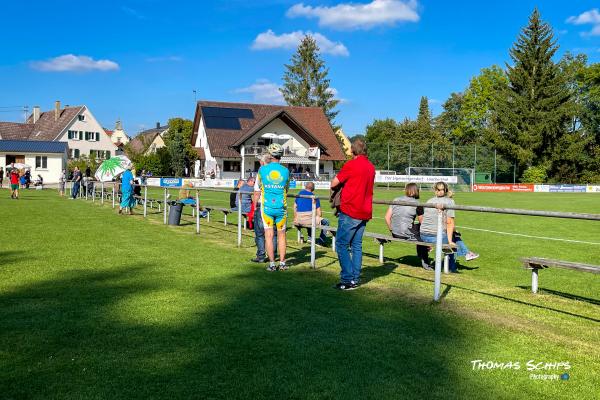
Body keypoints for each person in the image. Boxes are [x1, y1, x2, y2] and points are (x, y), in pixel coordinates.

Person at [330, 139, 375, 290]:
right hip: (364, 210)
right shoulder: (370, 167)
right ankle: (354, 278)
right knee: (356, 245)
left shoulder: (351, 165)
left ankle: (348, 279)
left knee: (341, 244)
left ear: (352, 151)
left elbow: (334, 183)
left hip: (350, 210)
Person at [254, 143, 290, 271]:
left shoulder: (262, 170)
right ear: (281, 156)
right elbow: (287, 189)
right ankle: (283, 263)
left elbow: (258, 186)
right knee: (282, 236)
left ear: (270, 155)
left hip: (267, 208)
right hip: (281, 207)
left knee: (268, 235)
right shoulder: (286, 171)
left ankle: (272, 264)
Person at [384, 183, 431, 270]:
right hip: (406, 234)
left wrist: (391, 230)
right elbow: (422, 223)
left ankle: (421, 254)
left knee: (418, 231)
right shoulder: (418, 204)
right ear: (416, 191)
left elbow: (387, 217)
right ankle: (426, 263)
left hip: (394, 233)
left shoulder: (396, 199)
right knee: (423, 237)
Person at [419, 182, 459, 272]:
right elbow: (449, 222)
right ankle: (451, 267)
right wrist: (450, 241)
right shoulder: (450, 201)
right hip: (435, 236)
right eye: (439, 190)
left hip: (423, 235)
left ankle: (465, 253)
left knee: (453, 233)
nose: (440, 191)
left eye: (442, 189)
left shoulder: (429, 201)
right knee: (454, 237)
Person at [250, 154, 278, 263]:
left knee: (260, 232)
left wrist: (255, 205)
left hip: (263, 204)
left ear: (262, 162)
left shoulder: (262, 171)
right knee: (273, 232)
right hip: (276, 205)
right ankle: (273, 255)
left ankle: (261, 255)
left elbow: (257, 191)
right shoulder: (277, 171)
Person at [294, 181, 330, 246]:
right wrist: (318, 218)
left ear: (305, 186)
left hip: (298, 219)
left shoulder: (299, 194)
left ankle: (310, 238)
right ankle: (321, 242)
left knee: (311, 218)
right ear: (313, 188)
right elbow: (319, 213)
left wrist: (295, 218)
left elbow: (295, 207)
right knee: (326, 221)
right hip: (308, 219)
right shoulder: (314, 197)